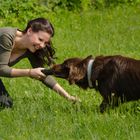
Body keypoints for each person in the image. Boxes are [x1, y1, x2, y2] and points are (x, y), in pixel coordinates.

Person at [0, 17, 80, 108]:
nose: (42, 45)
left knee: (5, 104)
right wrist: (29, 72)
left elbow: (43, 76)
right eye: (40, 39)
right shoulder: (7, 36)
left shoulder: (30, 49)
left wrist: (68, 97)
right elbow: (1, 69)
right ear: (29, 31)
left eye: (45, 43)